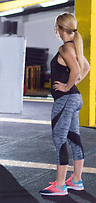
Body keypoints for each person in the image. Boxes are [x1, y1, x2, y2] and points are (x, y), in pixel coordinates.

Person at [39, 12, 90, 196]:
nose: (55, 30)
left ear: (62, 28)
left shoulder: (65, 48)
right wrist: (73, 85)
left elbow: (77, 69)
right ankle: (76, 180)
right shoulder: (74, 47)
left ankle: (60, 185)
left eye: (56, 27)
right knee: (74, 139)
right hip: (75, 99)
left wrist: (68, 86)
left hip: (66, 100)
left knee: (60, 140)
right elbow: (87, 68)